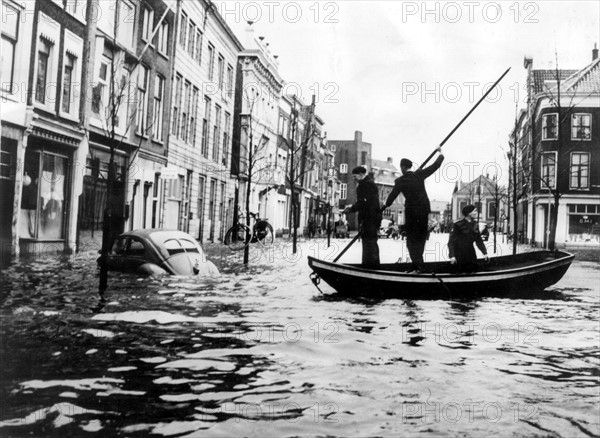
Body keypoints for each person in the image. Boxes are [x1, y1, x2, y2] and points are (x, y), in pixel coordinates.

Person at [382, 148, 444, 272]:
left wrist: (384, 206)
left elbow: (392, 196)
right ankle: (418, 265)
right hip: (423, 212)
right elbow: (435, 166)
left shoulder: (400, 181)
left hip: (411, 213)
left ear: (403, 168)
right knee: (421, 238)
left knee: (411, 240)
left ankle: (417, 265)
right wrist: (440, 153)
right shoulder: (419, 174)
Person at [343, 166, 381, 267]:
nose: (354, 179)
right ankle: (371, 266)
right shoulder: (369, 183)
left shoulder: (365, 185)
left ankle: (370, 267)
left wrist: (352, 209)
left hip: (369, 219)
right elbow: (365, 201)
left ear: (360, 174)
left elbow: (364, 202)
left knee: (369, 243)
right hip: (371, 219)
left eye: (355, 176)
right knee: (370, 243)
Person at [448, 204, 489, 273]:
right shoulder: (458, 225)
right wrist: (452, 256)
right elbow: (451, 242)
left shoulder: (475, 224)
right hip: (459, 254)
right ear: (468, 213)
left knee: (473, 273)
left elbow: (479, 241)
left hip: (471, 253)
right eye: (474, 211)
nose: (476, 213)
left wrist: (485, 253)